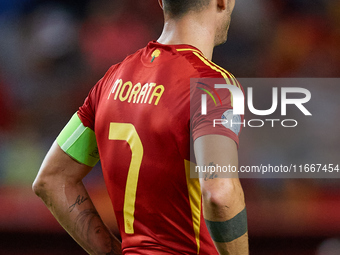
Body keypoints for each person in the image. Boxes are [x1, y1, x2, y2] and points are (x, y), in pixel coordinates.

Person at [33, 0, 248, 254]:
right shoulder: (213, 85)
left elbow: (52, 178)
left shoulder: (112, 79)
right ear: (222, 2)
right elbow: (219, 193)